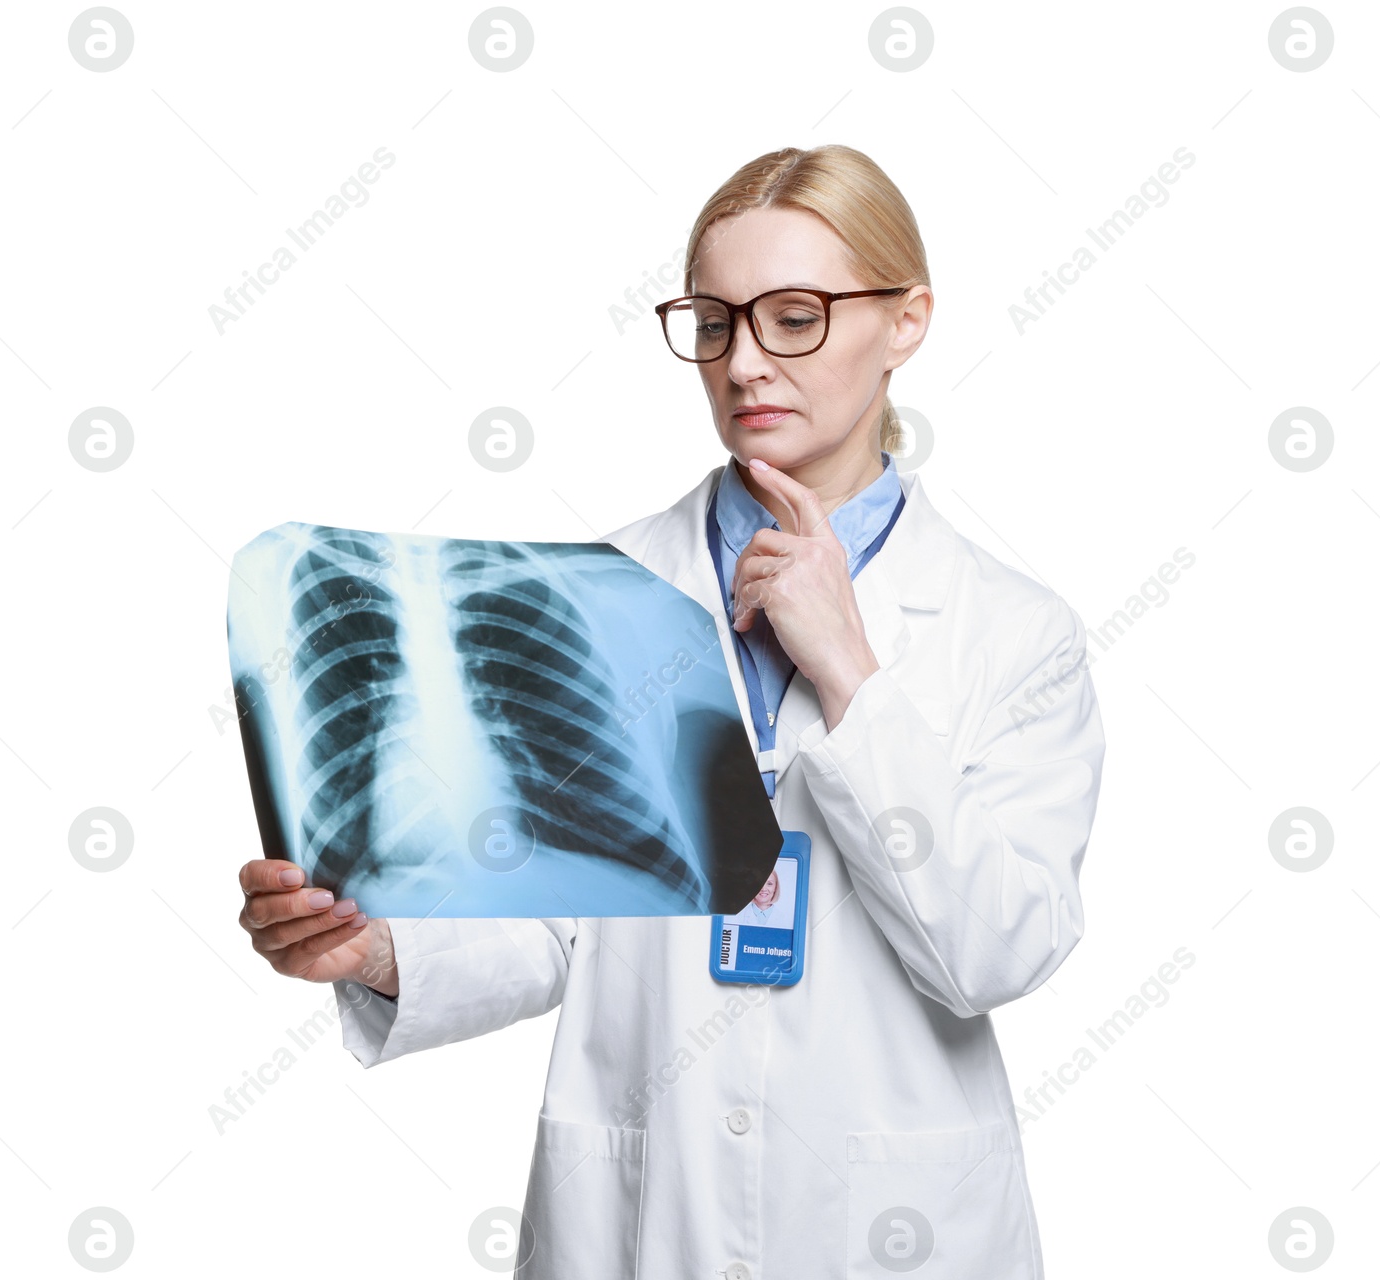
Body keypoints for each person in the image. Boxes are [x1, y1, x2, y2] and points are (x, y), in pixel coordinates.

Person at [236, 143, 1104, 1279]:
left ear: (906, 321)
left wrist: (850, 673)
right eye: (714, 319)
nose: (745, 361)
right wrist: (382, 946)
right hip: (639, 1217)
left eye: (794, 316)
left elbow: (995, 948)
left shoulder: (1012, 631)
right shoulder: (601, 593)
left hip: (898, 1228)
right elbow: (551, 914)